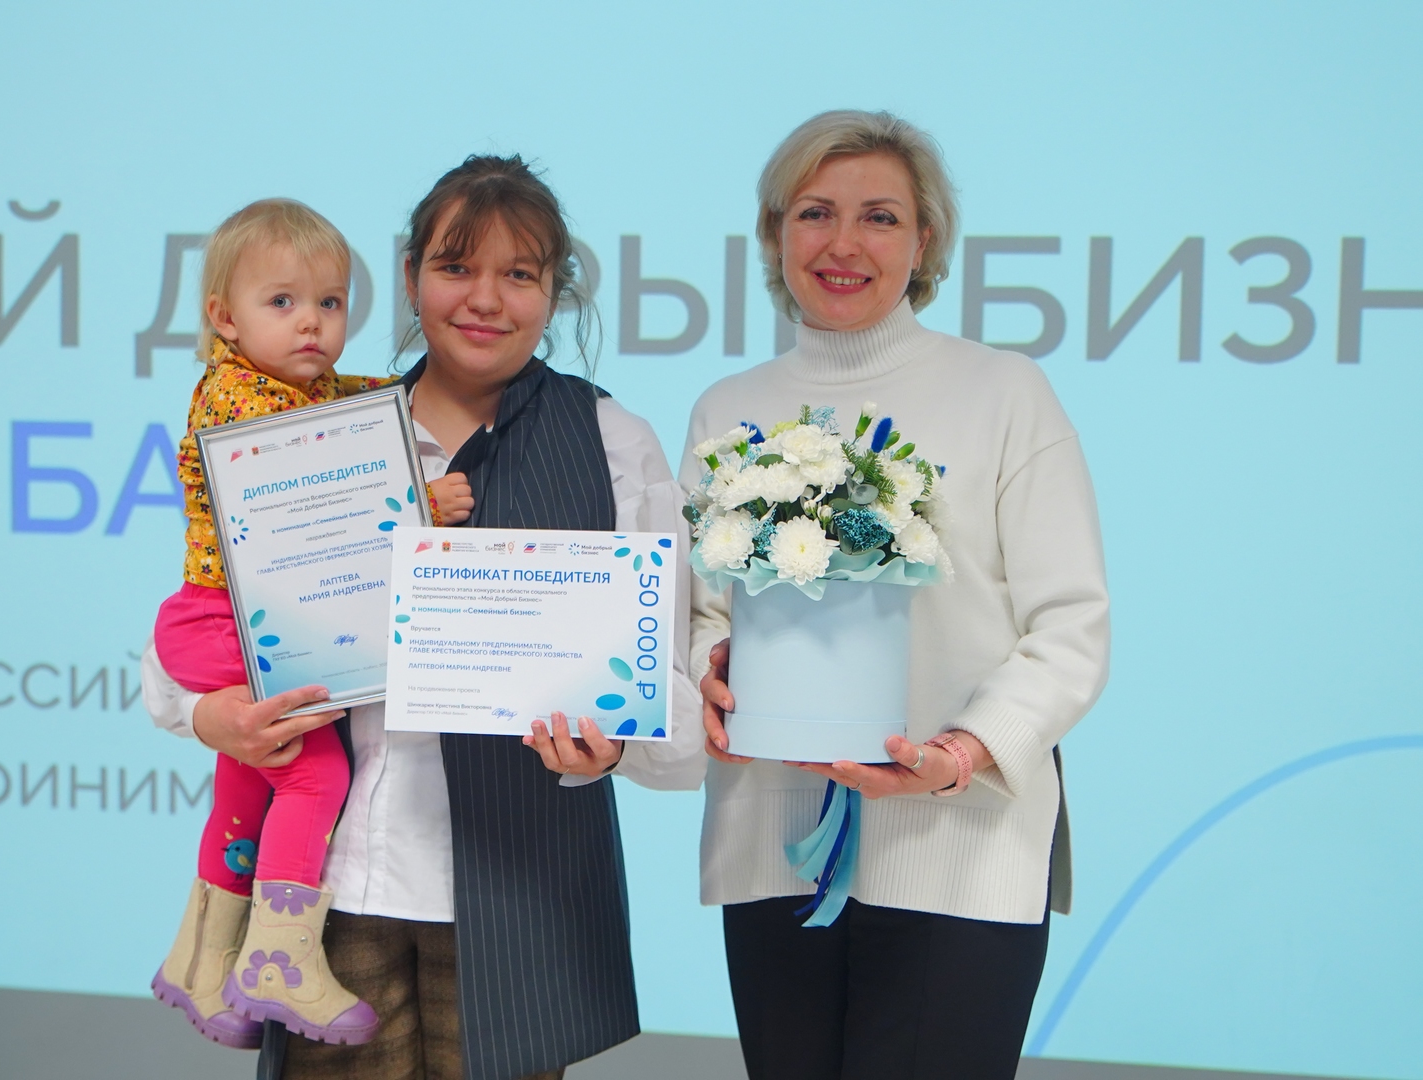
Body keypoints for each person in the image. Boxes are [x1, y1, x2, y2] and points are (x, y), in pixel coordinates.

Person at [142, 156, 704, 1080]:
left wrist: (612, 747)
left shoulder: (612, 444)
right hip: (328, 901)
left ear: (555, 292)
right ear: (409, 278)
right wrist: (209, 715)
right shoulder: (321, 428)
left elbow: (676, 724)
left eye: (518, 273)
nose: (484, 298)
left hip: (521, 899)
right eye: (454, 266)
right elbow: (196, 626)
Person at [686, 109, 1110, 1079]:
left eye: (879, 217)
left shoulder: (1006, 393)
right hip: (774, 848)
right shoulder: (726, 407)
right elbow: (705, 612)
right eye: (814, 213)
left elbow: (1071, 627)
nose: (843, 243)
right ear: (775, 234)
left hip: (959, 848)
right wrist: (708, 669)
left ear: (924, 242)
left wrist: (959, 755)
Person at [148, 198, 474, 1050]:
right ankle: (278, 959)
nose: (313, 323)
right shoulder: (238, 397)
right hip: (230, 622)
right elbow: (321, 489)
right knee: (313, 773)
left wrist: (408, 401)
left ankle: (201, 959)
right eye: (283, 302)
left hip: (230, 619)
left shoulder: (306, 389)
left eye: (331, 303)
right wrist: (418, 497)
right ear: (224, 317)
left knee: (247, 778)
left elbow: (367, 406)